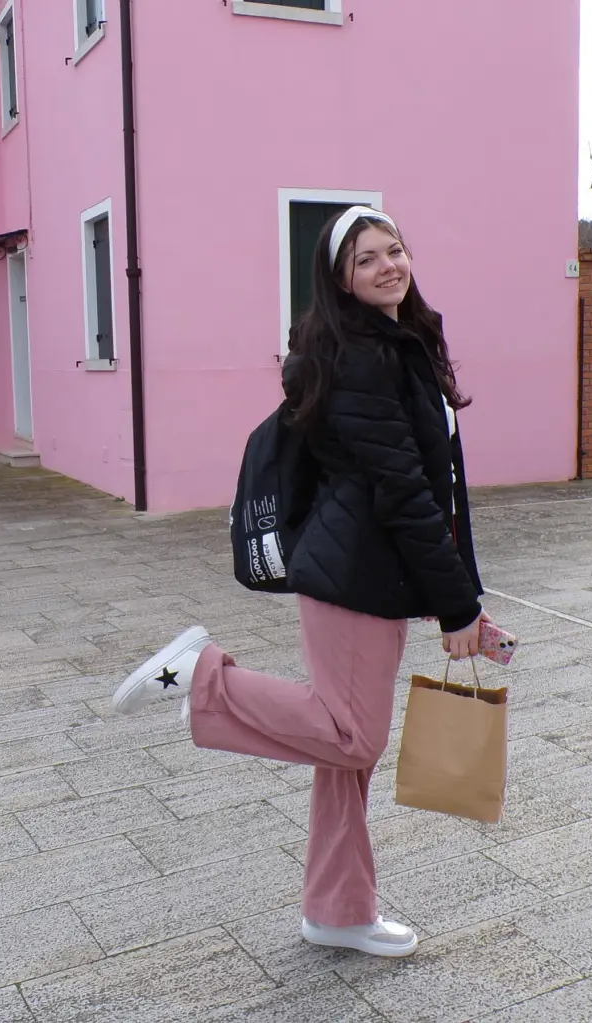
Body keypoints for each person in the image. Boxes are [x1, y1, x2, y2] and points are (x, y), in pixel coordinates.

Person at [112, 206, 487, 958]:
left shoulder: (399, 343)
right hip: (353, 575)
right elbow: (403, 492)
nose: (388, 265)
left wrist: (467, 593)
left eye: (395, 249)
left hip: (367, 570)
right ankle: (202, 674)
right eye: (365, 258)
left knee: (345, 754)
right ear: (339, 279)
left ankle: (337, 909)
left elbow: (443, 489)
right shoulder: (360, 359)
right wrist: (456, 603)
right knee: (351, 735)